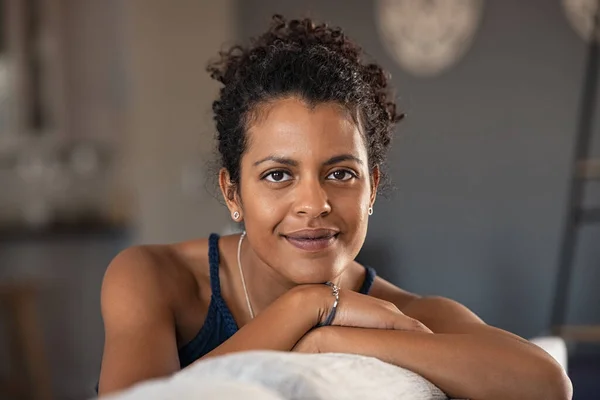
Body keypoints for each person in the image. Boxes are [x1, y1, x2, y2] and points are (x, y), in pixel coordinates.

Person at [98, 15, 572, 399]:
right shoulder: (153, 278)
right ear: (233, 194)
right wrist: (309, 305)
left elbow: (547, 383)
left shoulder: (397, 309)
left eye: (341, 173)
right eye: (278, 175)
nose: (314, 203)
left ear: (372, 188)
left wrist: (330, 336)